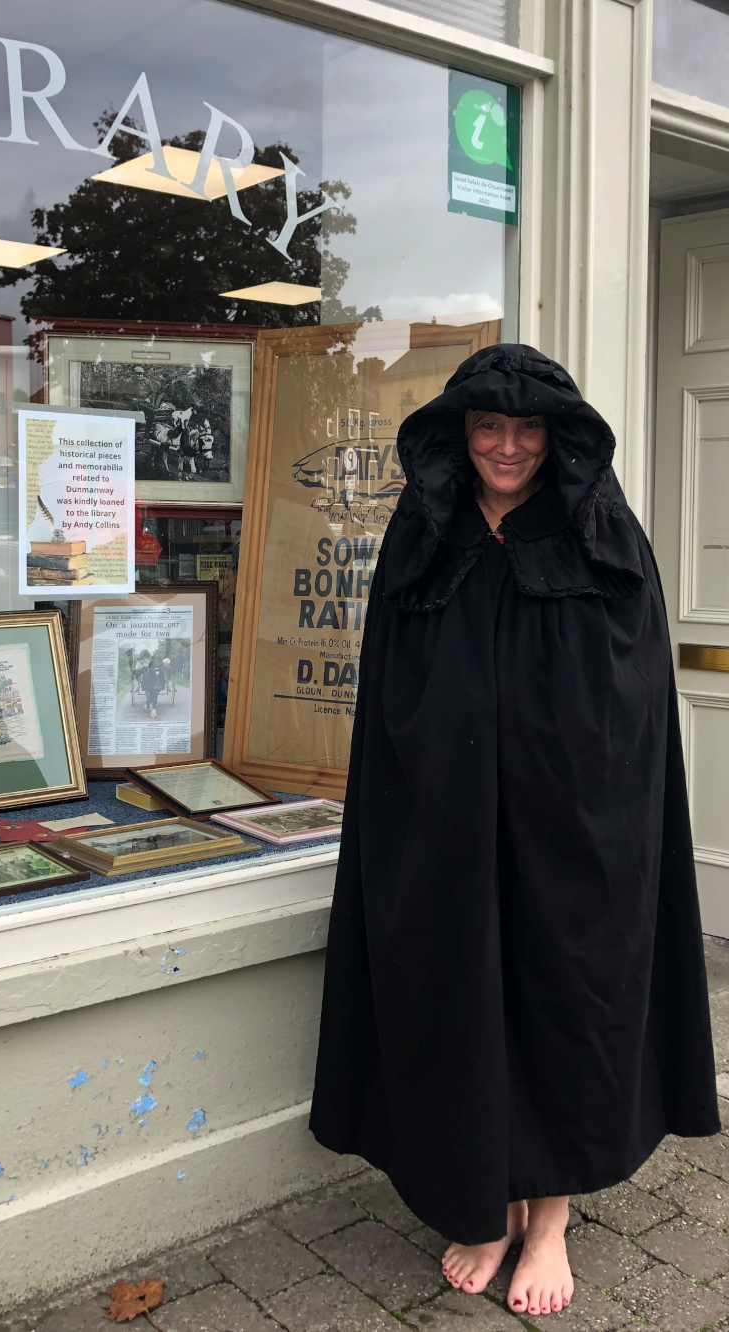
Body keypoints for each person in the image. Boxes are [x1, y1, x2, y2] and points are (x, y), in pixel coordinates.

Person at [310, 345, 719, 1317]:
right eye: (487, 428)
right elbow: (393, 682)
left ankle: (548, 1220)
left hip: (571, 821)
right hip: (443, 819)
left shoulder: (596, 524)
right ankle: (482, 1205)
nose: (504, 447)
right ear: (460, 434)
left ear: (555, 436)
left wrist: (580, 785)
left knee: (562, 999)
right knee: (456, 999)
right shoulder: (426, 523)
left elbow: (632, 685)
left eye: (524, 429)